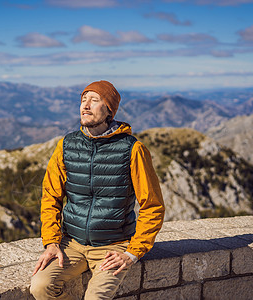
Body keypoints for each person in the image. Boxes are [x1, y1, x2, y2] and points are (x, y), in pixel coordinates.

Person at [30, 80, 165, 300]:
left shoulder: (133, 149)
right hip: (70, 243)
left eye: (94, 100)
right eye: (83, 100)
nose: (85, 106)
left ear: (109, 110)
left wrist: (132, 252)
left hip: (113, 247)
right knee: (40, 286)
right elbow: (51, 197)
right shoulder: (66, 145)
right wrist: (52, 242)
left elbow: (153, 205)